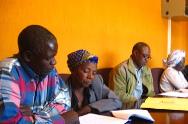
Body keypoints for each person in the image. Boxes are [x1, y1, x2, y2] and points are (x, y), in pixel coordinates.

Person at [0, 25, 79, 124]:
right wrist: (61, 120)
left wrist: (34, 115)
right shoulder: (7, 72)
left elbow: (64, 102)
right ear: (28, 56)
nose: (54, 62)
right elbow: (10, 121)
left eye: (54, 56)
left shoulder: (49, 71)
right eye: (49, 58)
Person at [66, 49, 122, 116]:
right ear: (73, 70)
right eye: (86, 71)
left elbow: (116, 101)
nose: (91, 77)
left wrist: (90, 108)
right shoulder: (61, 88)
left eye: (94, 73)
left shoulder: (96, 81)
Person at [109, 42, 155, 109]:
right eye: (144, 56)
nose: (147, 60)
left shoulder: (147, 69)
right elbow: (118, 95)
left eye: (148, 57)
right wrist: (140, 102)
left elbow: (151, 91)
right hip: (127, 107)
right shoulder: (121, 70)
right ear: (135, 53)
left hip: (143, 105)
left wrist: (154, 102)